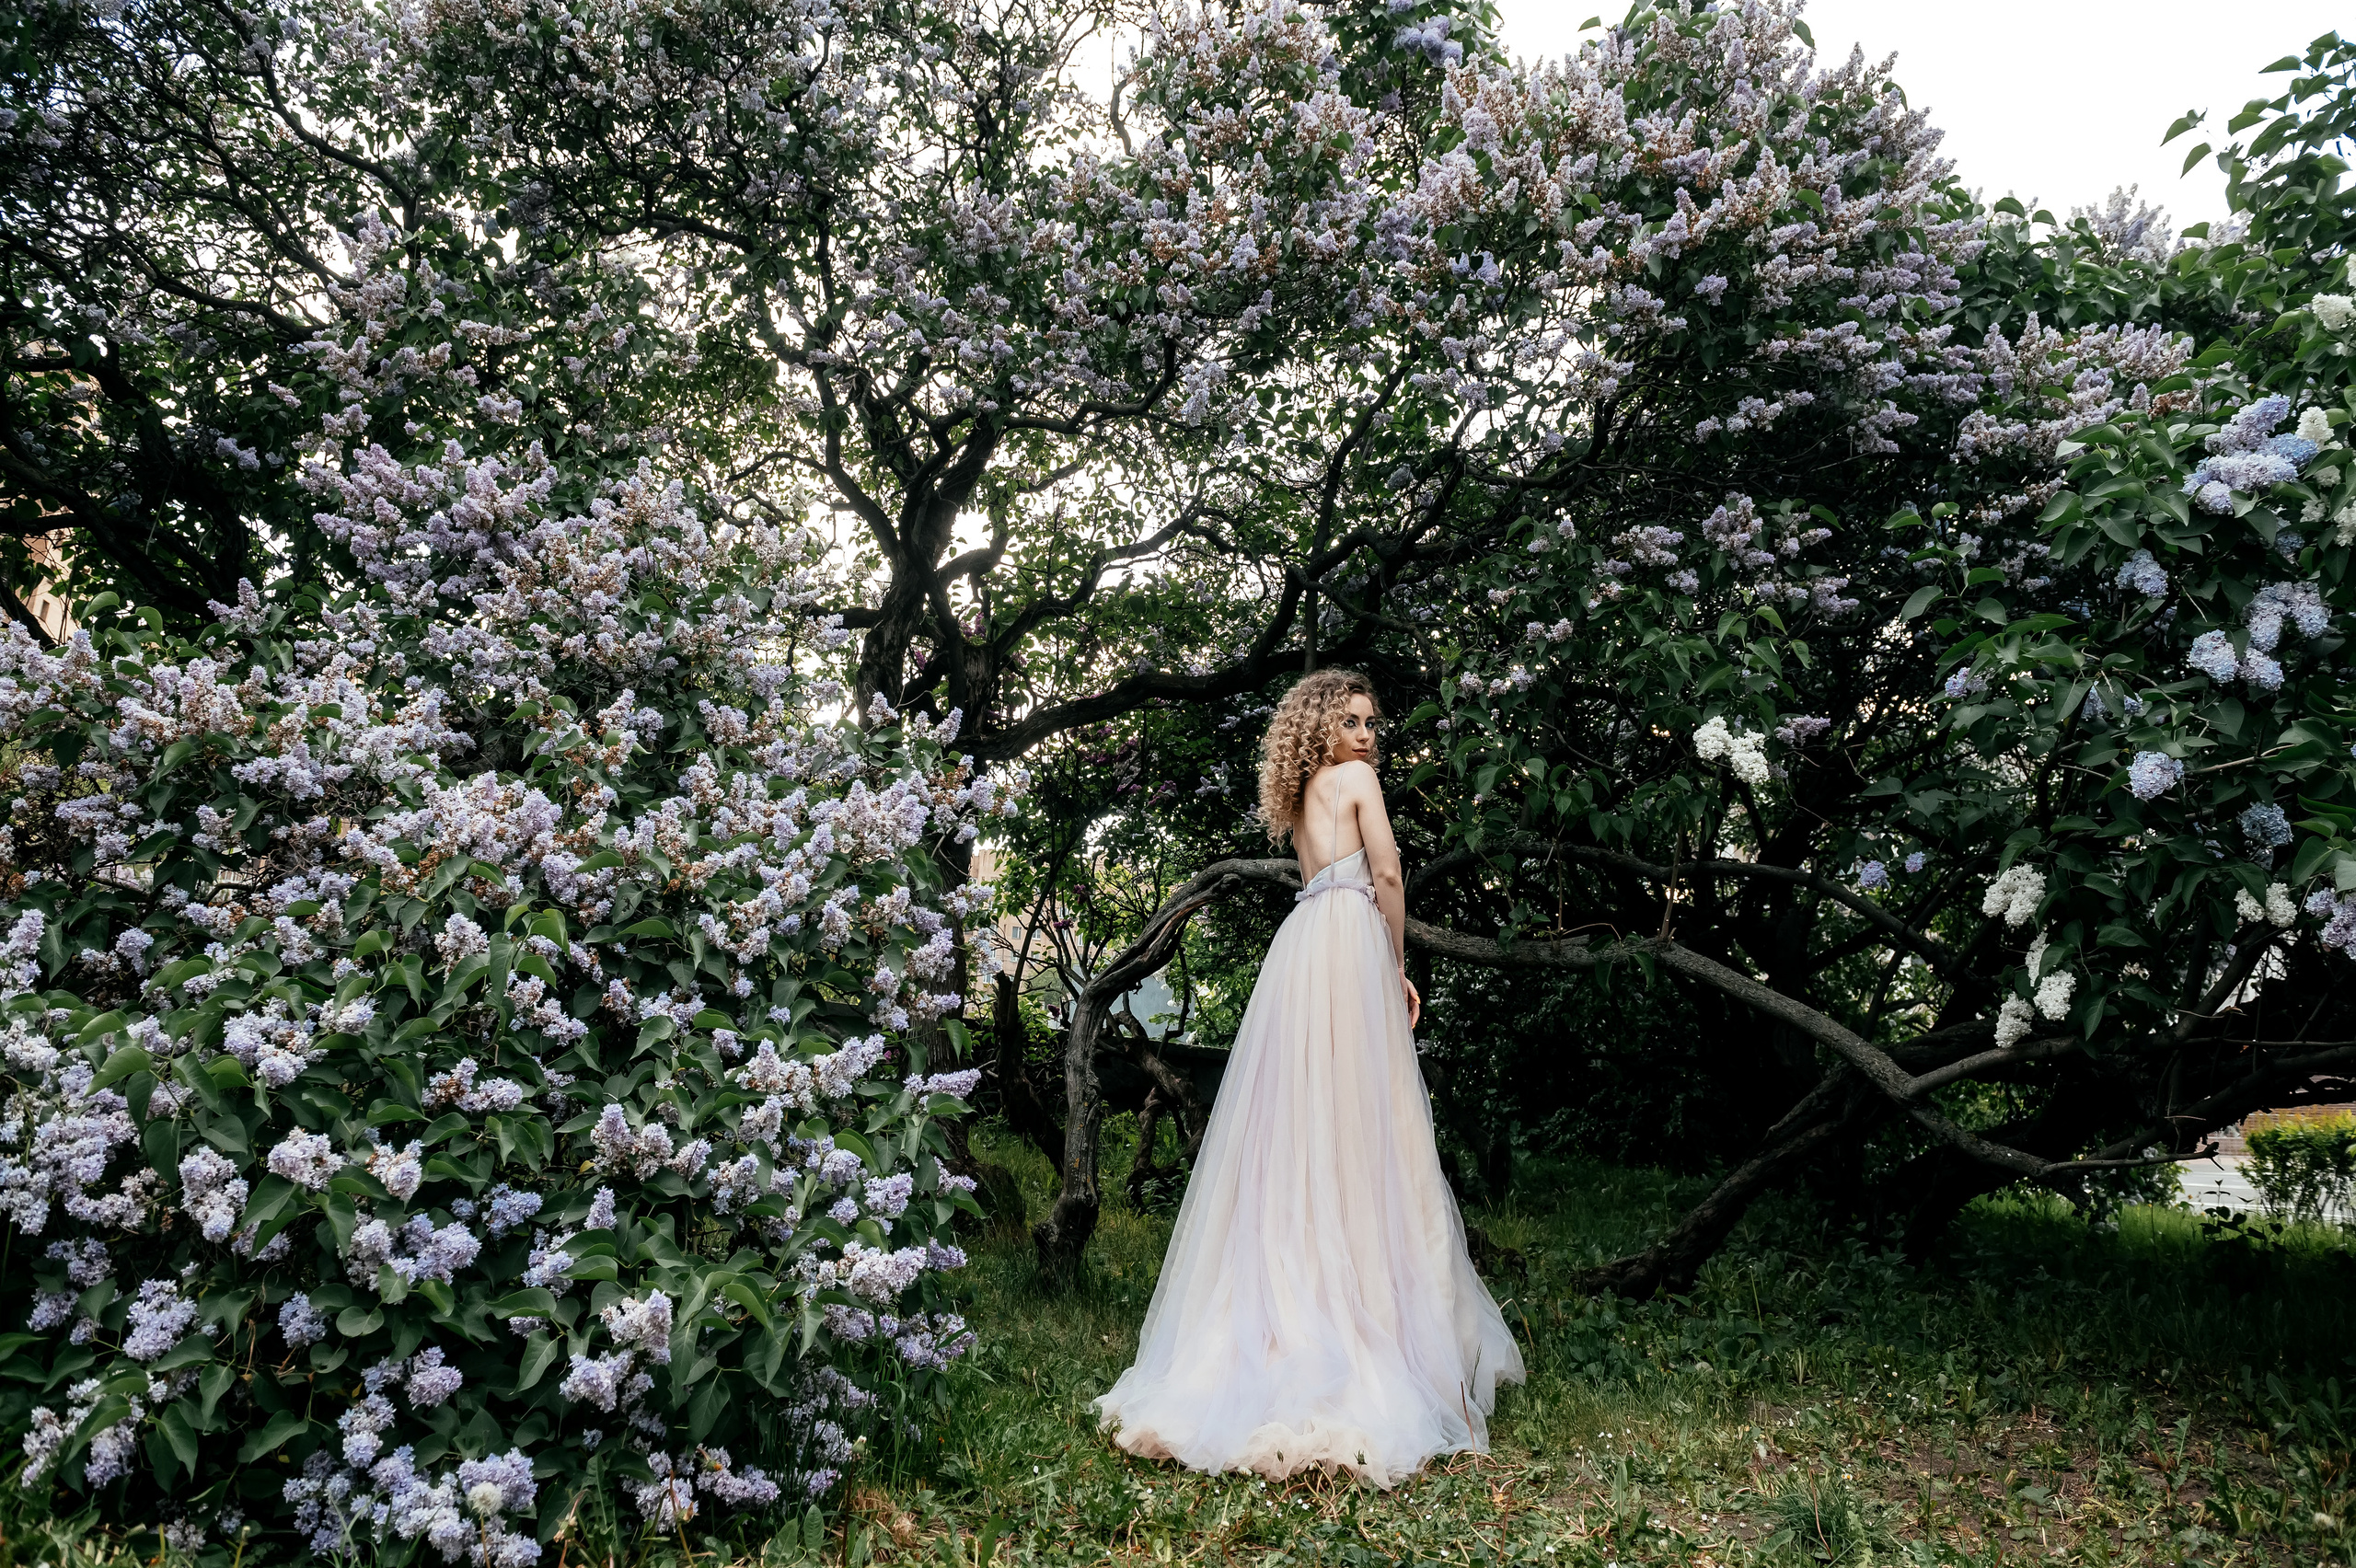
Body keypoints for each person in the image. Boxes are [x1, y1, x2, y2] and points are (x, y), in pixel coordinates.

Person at [1091, 668, 1525, 1487]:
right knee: (1372, 1125)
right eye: (1353, 720)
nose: (1367, 735)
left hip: (1301, 949)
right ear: (1325, 725)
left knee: (1297, 1128)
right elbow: (1388, 874)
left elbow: (1320, 873)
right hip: (1351, 943)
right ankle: (1383, 1319)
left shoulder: (1297, 797)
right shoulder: (1358, 782)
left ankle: (1295, 1299)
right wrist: (1397, 964)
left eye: (1372, 723)